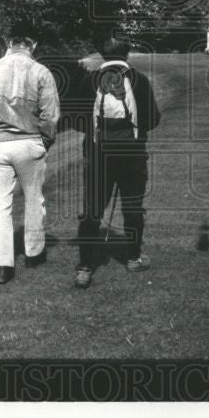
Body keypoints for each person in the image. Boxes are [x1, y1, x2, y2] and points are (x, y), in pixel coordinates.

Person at [0, 21, 60, 286]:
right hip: (29, 142)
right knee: (34, 198)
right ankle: (33, 253)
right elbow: (50, 115)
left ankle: (1, 266)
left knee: (0, 204)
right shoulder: (41, 71)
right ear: (33, 44)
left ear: (8, 42)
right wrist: (45, 140)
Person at [74, 38, 161, 289]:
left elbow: (77, 119)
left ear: (102, 54)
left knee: (92, 210)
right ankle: (133, 258)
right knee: (133, 207)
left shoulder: (89, 80)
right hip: (132, 154)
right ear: (127, 54)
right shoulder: (139, 80)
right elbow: (153, 119)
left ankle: (84, 267)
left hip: (97, 154)